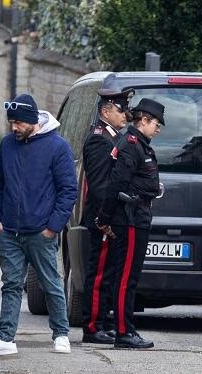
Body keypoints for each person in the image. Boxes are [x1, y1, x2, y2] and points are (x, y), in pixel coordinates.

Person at [0, 93, 77, 357]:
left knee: (50, 283)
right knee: (10, 284)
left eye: (18, 123)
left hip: (41, 231)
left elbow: (68, 190)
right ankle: (5, 339)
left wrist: (53, 227)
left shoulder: (57, 147)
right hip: (9, 230)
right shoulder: (7, 144)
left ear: (32, 121)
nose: (14, 128)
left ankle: (61, 334)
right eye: (11, 122)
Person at [95, 98, 165, 349]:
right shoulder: (132, 145)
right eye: (156, 124)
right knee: (126, 278)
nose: (158, 129)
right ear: (144, 120)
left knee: (129, 276)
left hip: (137, 217)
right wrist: (105, 218)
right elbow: (117, 183)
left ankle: (125, 329)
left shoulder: (140, 145)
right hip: (129, 218)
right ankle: (124, 332)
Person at [81, 88, 134, 344]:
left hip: (111, 216)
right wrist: (105, 218)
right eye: (120, 109)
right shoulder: (99, 139)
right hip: (103, 218)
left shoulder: (113, 137)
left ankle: (102, 320)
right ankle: (92, 326)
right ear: (105, 111)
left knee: (110, 272)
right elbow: (100, 185)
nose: (126, 114)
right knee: (100, 272)